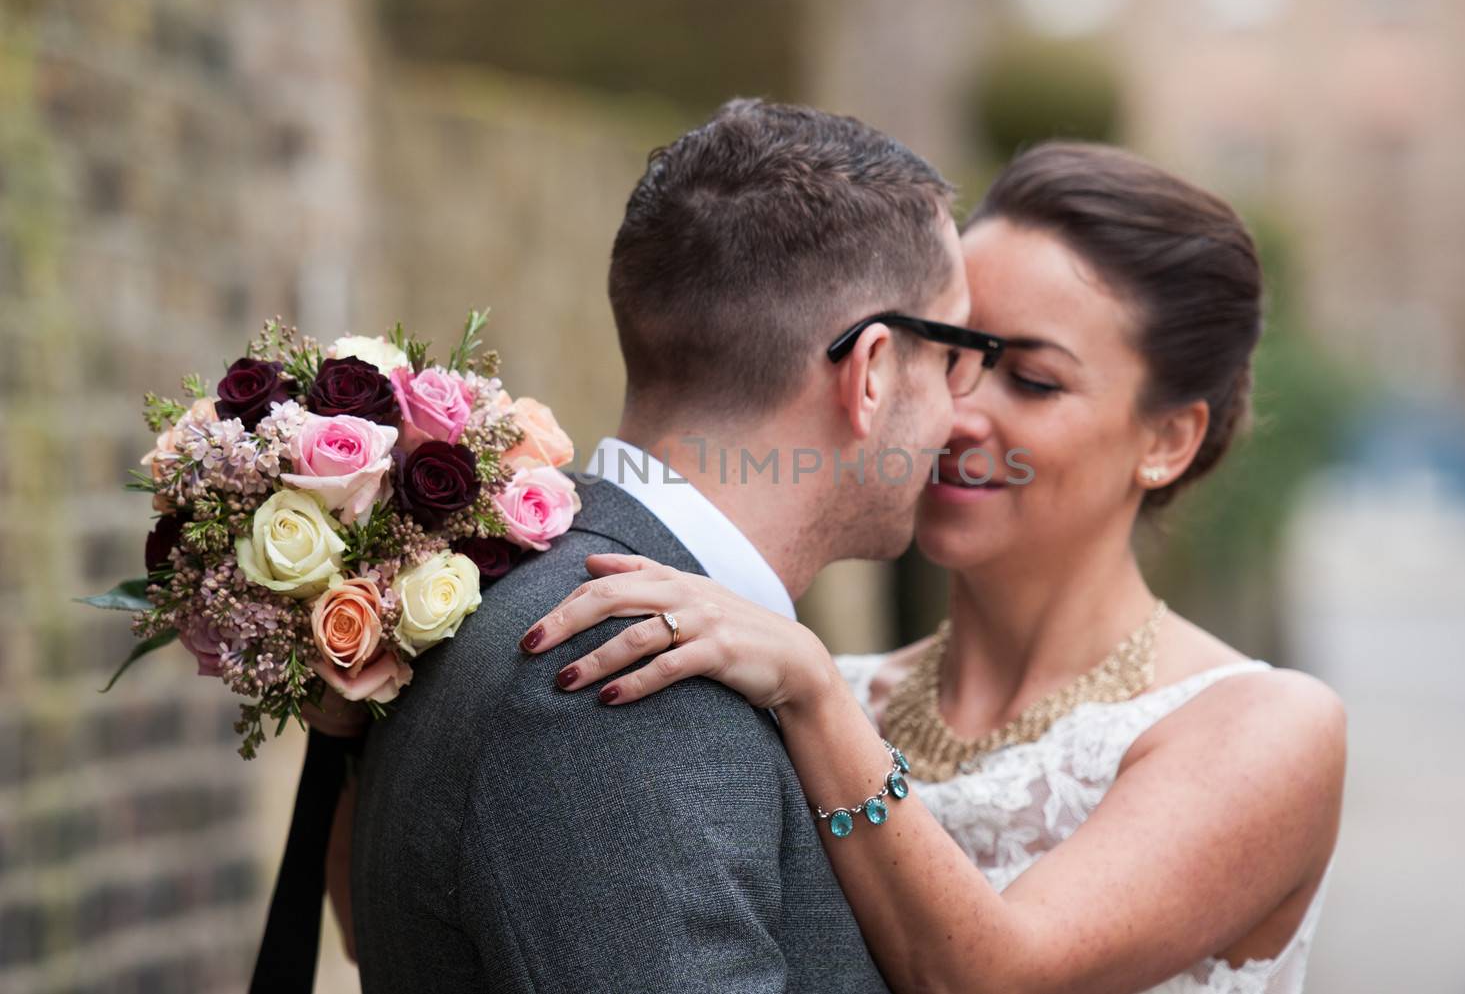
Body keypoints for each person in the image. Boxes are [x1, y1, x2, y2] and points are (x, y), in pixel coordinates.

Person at [516, 143, 1347, 994]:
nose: (955, 413)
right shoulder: (827, 689)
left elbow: (1000, 978)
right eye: (948, 354)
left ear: (1167, 441)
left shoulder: (1265, 728)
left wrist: (816, 691)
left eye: (1030, 379)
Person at [346, 99, 1005, 992]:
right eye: (956, 356)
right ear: (875, 370)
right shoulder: (615, 666)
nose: (965, 413)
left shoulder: (558, 591)